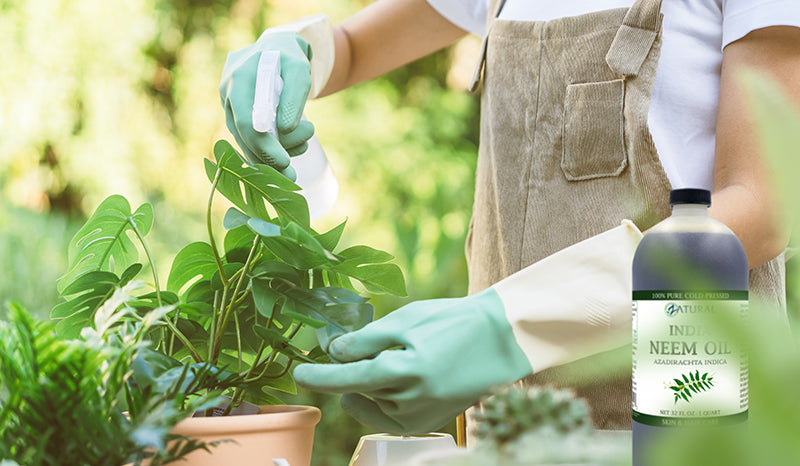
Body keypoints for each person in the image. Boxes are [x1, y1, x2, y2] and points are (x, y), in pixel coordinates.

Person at [219, 0, 799, 441]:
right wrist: (297, 52)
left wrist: (509, 326)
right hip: (512, 429)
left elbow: (762, 205)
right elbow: (352, 45)